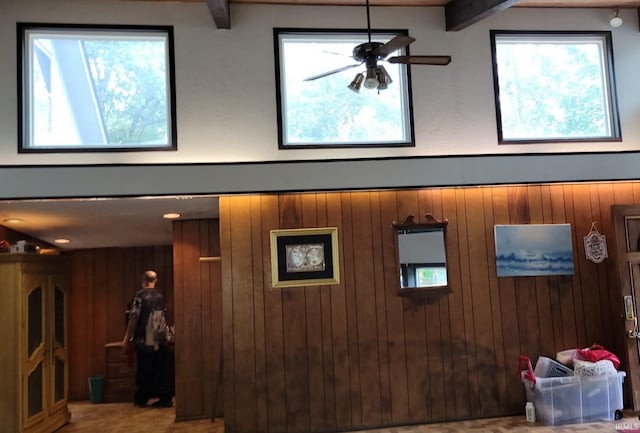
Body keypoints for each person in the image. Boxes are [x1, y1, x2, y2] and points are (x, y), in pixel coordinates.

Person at [122, 270, 173, 408]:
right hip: (160, 337)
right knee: (161, 369)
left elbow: (134, 317)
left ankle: (141, 398)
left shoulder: (139, 296)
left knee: (144, 369)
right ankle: (165, 398)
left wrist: (127, 338)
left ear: (143, 281)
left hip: (145, 338)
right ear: (155, 281)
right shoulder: (160, 296)